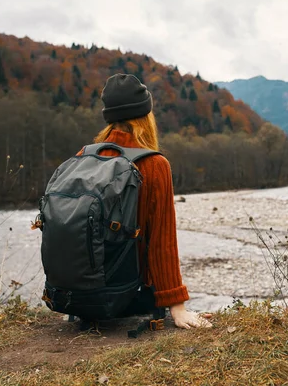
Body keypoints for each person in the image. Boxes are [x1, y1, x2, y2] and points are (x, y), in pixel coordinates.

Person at [86, 73, 211, 329]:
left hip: (82, 296)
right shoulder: (154, 164)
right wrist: (177, 307)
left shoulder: (84, 157)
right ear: (146, 116)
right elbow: (162, 241)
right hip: (131, 296)